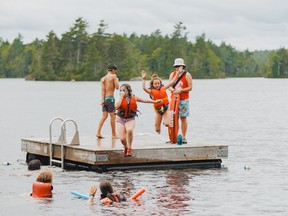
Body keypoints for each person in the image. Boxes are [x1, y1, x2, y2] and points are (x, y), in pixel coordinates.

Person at [115, 83, 161, 157]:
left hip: (130, 119)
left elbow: (144, 100)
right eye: (121, 90)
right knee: (122, 139)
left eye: (124, 90)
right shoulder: (119, 98)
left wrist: (154, 101)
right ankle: (125, 146)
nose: (122, 91)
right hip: (120, 119)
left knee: (129, 130)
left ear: (128, 91)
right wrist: (121, 97)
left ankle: (129, 147)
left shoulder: (134, 97)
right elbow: (116, 105)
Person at [141, 70, 181, 134]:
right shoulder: (151, 92)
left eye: (158, 83)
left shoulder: (164, 88)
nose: (157, 85)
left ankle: (166, 119)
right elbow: (144, 88)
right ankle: (159, 131)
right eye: (155, 84)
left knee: (167, 124)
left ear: (160, 83)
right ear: (152, 85)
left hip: (165, 108)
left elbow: (172, 81)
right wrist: (143, 79)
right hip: (158, 110)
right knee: (157, 130)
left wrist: (177, 74)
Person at [168, 58, 193, 144]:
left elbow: (190, 87)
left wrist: (181, 90)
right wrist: (172, 90)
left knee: (183, 117)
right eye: (176, 66)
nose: (178, 68)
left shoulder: (187, 75)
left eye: (179, 66)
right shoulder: (172, 74)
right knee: (174, 118)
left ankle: (184, 136)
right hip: (174, 99)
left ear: (183, 66)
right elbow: (169, 85)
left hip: (183, 99)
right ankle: (174, 136)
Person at [96, 64, 119, 139]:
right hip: (110, 99)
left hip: (104, 99)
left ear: (107, 70)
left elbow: (103, 90)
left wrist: (102, 99)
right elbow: (117, 87)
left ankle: (98, 132)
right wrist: (117, 80)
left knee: (104, 116)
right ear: (113, 70)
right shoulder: (114, 76)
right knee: (113, 117)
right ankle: (114, 134)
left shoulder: (103, 78)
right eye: (115, 71)